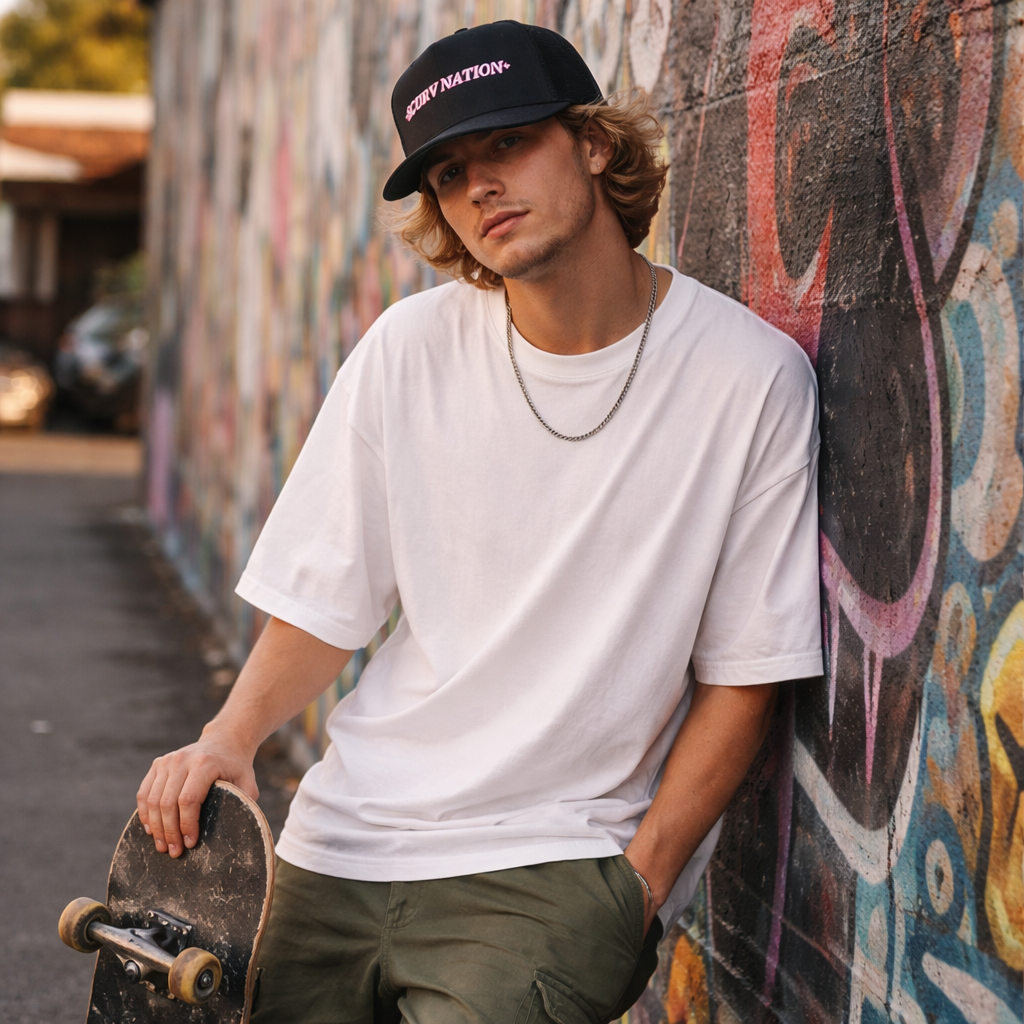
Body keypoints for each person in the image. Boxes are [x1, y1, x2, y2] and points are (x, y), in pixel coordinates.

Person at [136, 20, 822, 1024]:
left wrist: (636, 888)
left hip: (551, 871)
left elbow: (746, 673)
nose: (481, 188)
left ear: (592, 143)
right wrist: (228, 738)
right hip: (340, 848)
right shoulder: (408, 352)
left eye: (508, 144)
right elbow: (328, 599)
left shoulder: (749, 378)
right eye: (451, 175)